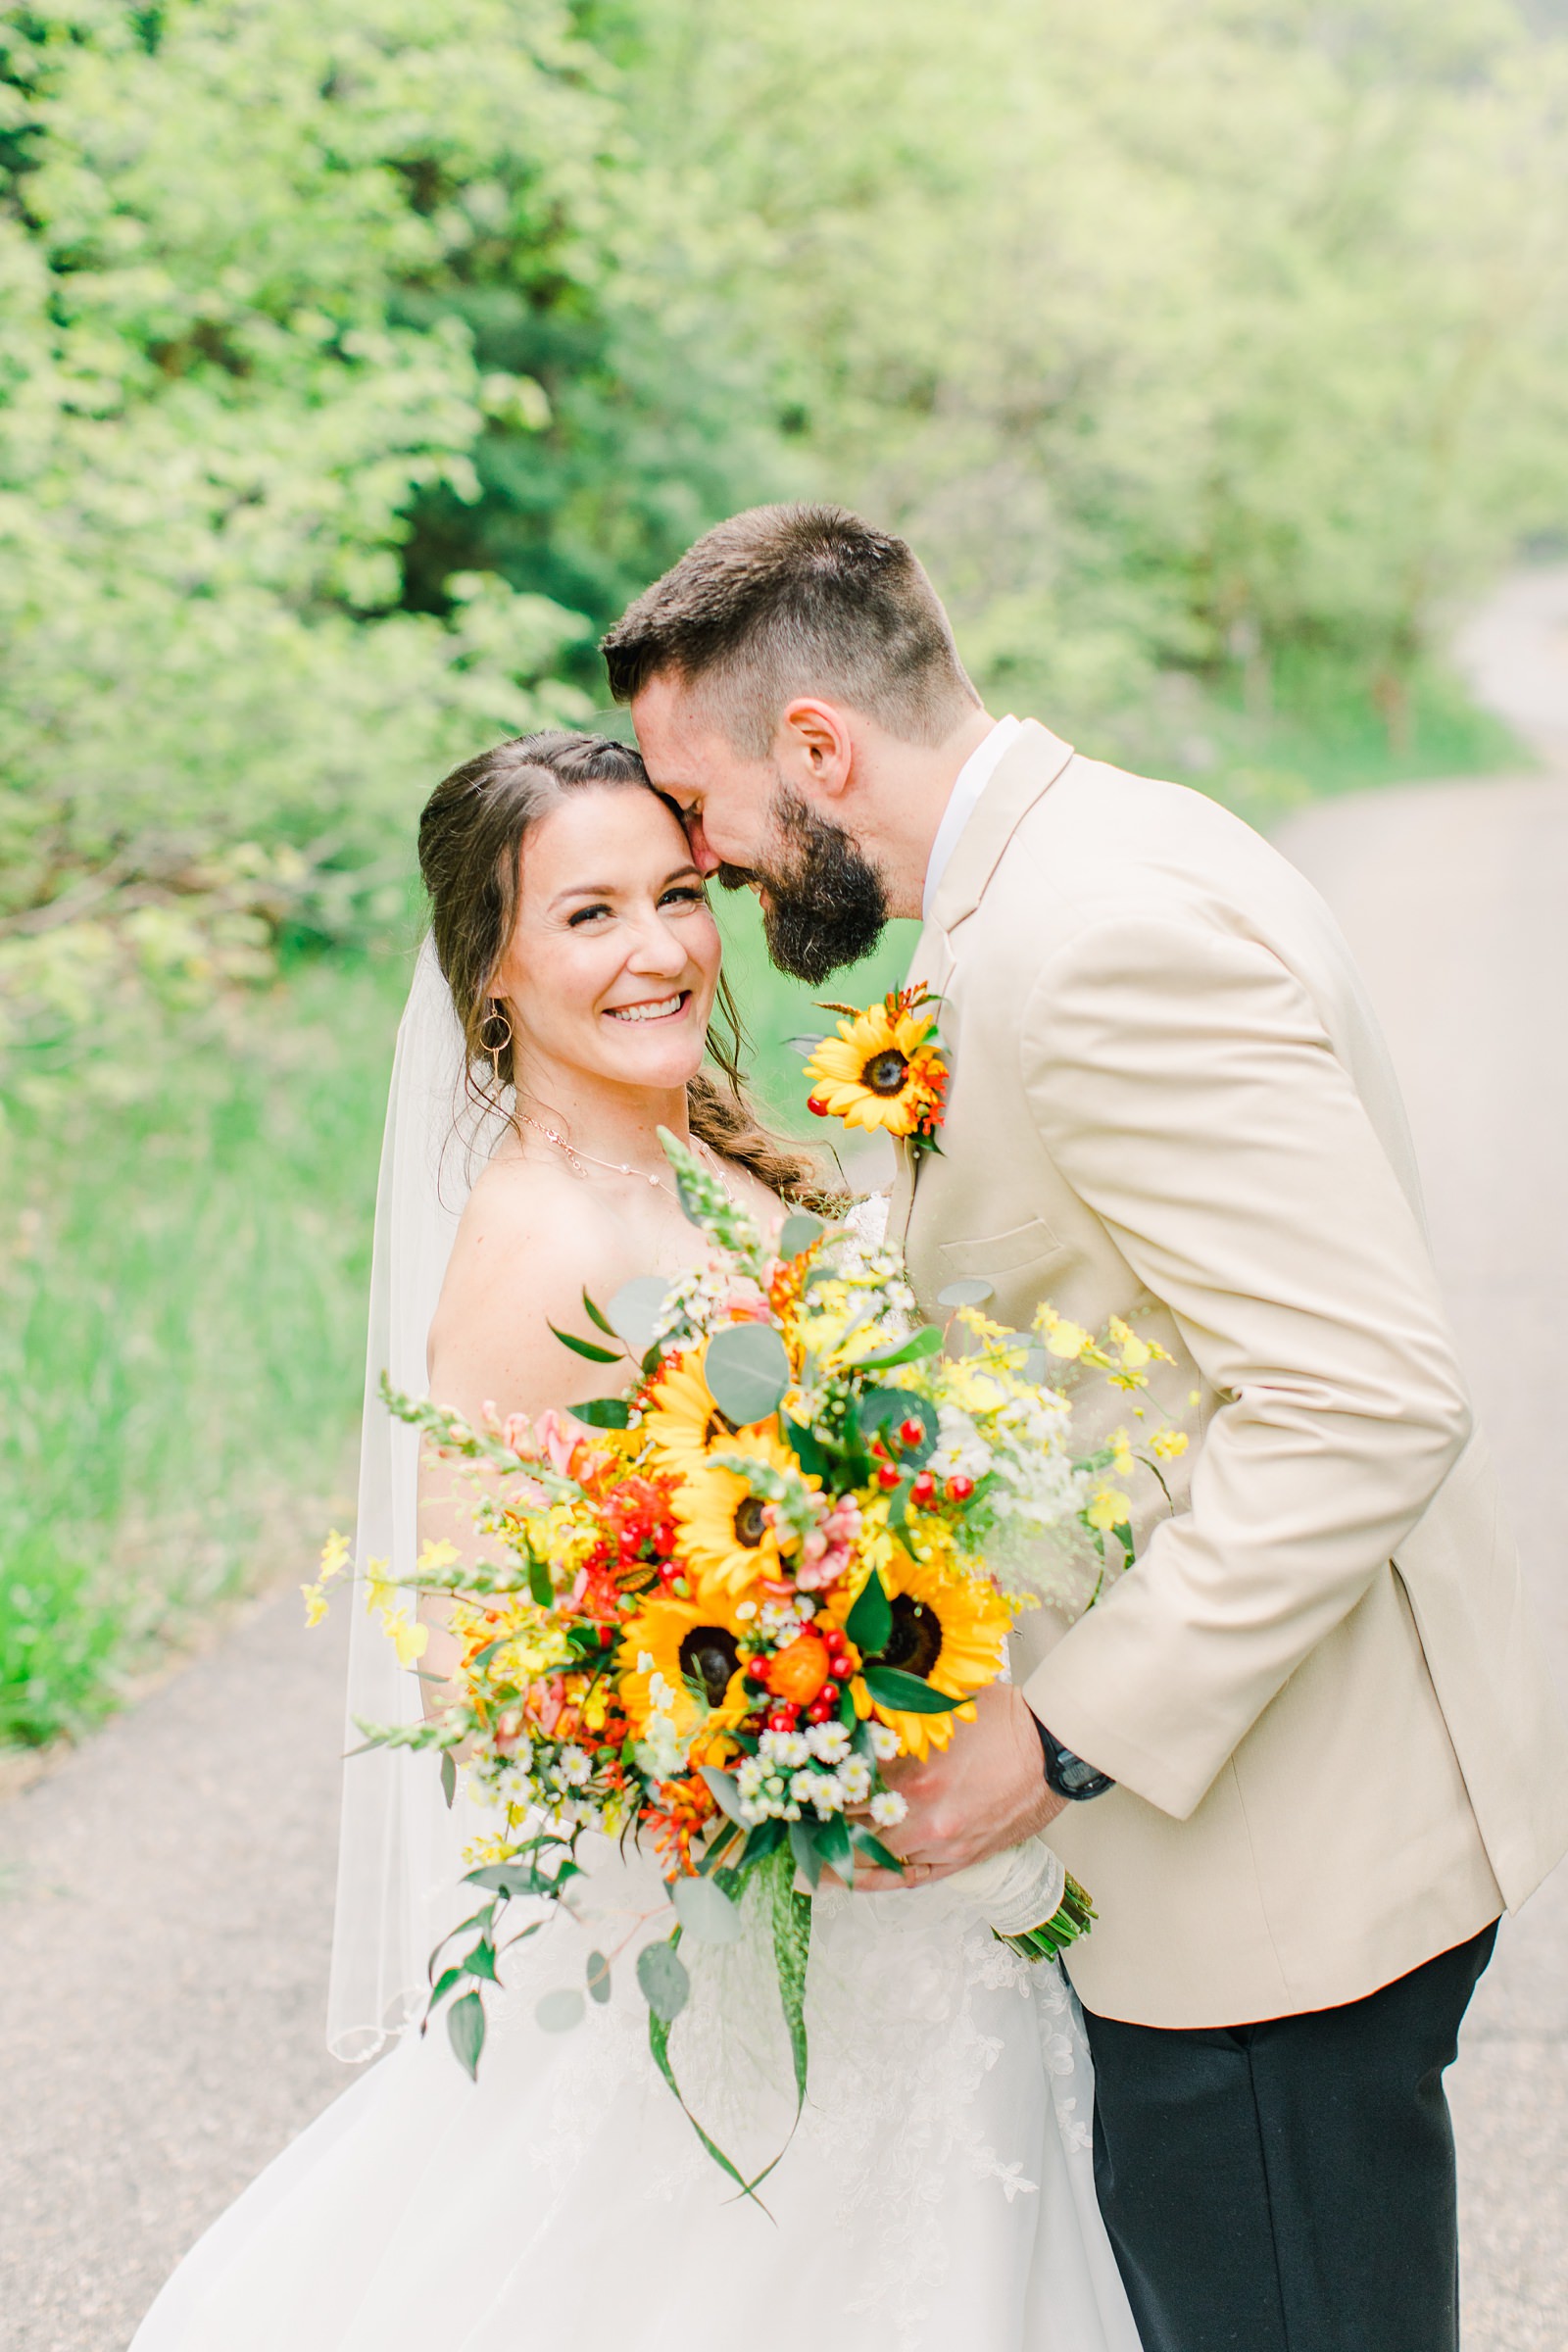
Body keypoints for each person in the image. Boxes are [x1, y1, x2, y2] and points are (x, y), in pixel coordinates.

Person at [602, 502, 1568, 2352]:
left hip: (1281, 1886)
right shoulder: (1067, 862)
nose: (703, 862)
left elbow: (1364, 1398)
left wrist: (1054, 1739)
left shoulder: (1093, 936)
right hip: (1246, 1864)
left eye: (697, 804)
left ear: (819, 750)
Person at [128, 728, 1143, 2351]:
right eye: (589, 914)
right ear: (492, 975)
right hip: (743, 1891)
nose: (662, 949)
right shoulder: (536, 1255)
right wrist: (757, 1732)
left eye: (678, 893)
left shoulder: (702, 1167)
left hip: (897, 1865)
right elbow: (477, 1653)